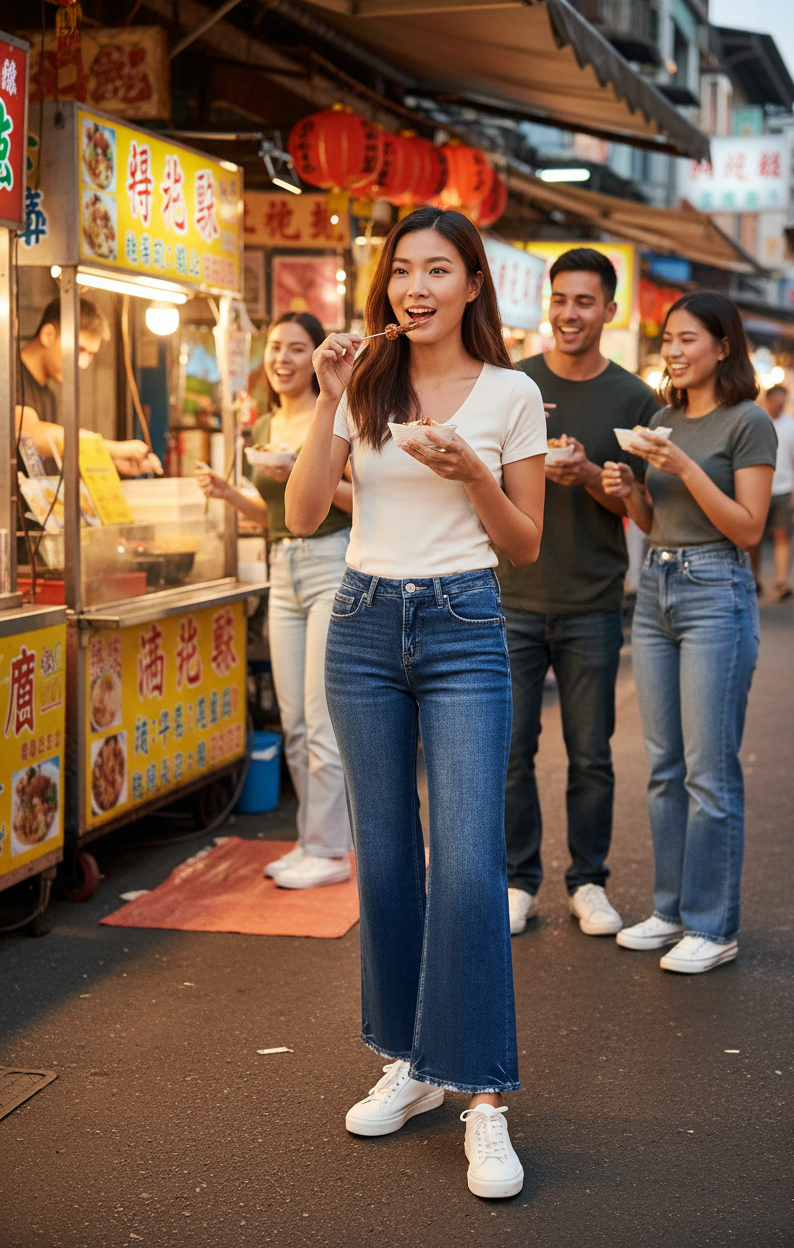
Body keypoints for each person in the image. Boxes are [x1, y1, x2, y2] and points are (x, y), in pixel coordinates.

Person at [285, 207, 546, 1199]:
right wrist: (327, 400)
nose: (417, 287)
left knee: (471, 867)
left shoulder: (513, 393)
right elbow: (306, 513)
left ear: (473, 284)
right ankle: (408, 1060)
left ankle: (482, 1095)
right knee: (386, 857)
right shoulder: (366, 380)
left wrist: (470, 467)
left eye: (439, 269)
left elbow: (522, 543)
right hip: (359, 627)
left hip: (464, 629)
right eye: (402, 271)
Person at [601, 291, 775, 974]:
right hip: (658, 588)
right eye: (667, 339)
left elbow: (748, 528)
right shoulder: (665, 416)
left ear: (722, 346)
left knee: (708, 772)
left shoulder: (748, 421)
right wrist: (630, 490)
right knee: (663, 768)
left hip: (716, 591)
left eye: (687, 340)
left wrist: (684, 469)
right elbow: (656, 521)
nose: (672, 351)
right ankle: (670, 911)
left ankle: (713, 925)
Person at [496, 247, 657, 938]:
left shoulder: (633, 397)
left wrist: (591, 474)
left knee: (592, 752)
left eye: (584, 301)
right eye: (560, 299)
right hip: (510, 597)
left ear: (609, 312)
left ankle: (588, 881)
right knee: (510, 750)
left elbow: (648, 510)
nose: (569, 313)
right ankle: (516, 880)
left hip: (593, 599)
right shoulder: (512, 385)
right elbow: (484, 484)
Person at [195, 313, 353, 889]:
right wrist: (228, 492)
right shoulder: (262, 422)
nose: (283, 358)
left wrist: (301, 471)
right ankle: (311, 841)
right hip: (281, 569)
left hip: (332, 562)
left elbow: (363, 500)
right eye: (275, 348)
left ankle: (332, 850)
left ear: (318, 356)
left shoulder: (335, 414)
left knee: (321, 721)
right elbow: (274, 516)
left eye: (297, 348)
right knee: (292, 720)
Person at [17, 296, 160, 476]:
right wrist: (111, 448)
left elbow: (48, 458)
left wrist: (110, 461)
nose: (83, 363)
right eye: (79, 349)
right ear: (48, 335)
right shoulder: (8, 377)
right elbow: (28, 436)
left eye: (91, 354)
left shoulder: (48, 396)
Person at [749, 384, 794, 600]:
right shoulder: (754, 421)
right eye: (777, 401)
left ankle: (782, 581)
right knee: (753, 539)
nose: (780, 405)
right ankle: (754, 578)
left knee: (783, 533)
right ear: (768, 399)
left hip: (784, 487)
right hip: (756, 489)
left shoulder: (793, 425)